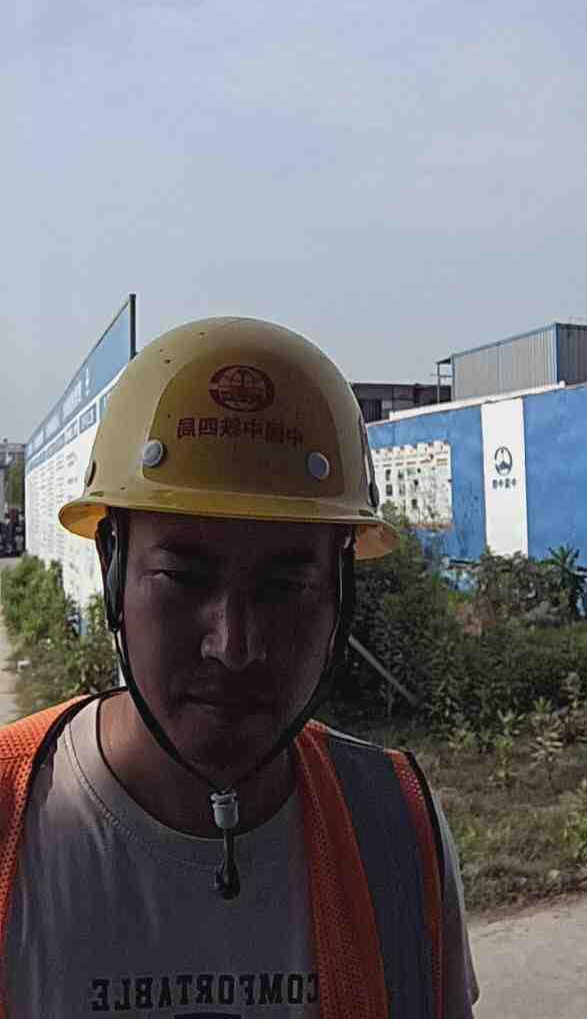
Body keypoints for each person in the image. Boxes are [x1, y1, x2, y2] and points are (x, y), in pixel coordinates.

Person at [0, 317, 479, 1017]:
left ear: (339, 588)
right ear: (111, 564)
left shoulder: (395, 829)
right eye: (184, 578)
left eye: (285, 586)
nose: (234, 645)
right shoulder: (11, 824)